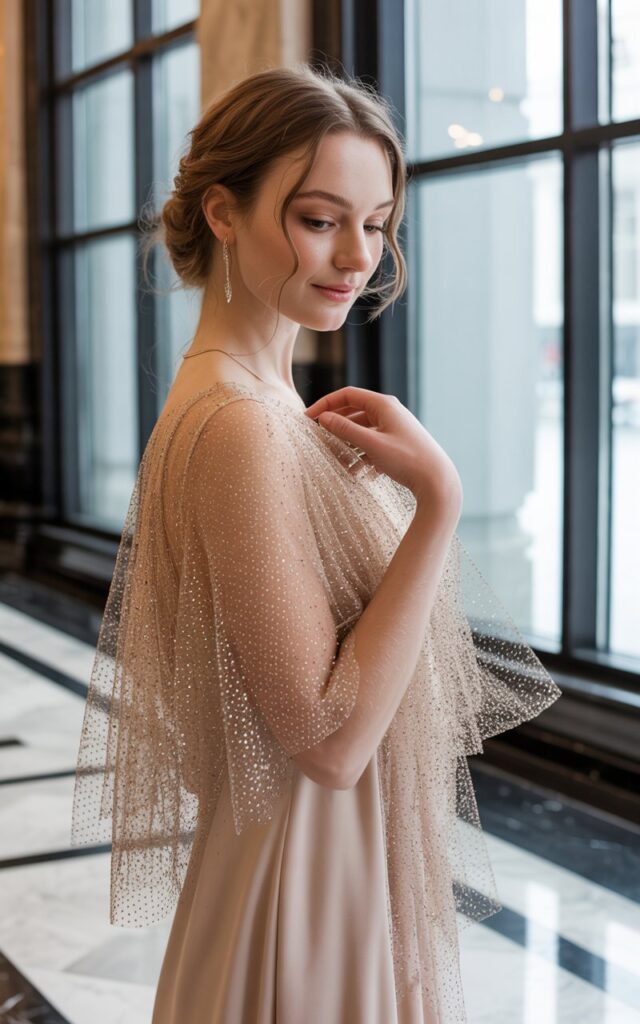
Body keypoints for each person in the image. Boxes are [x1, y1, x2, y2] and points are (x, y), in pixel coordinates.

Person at [70, 63, 562, 1023]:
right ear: (223, 212)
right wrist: (439, 503)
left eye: (376, 224)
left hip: (307, 861)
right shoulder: (242, 422)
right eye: (319, 218)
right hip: (307, 878)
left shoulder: (254, 401)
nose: (357, 258)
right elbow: (331, 745)